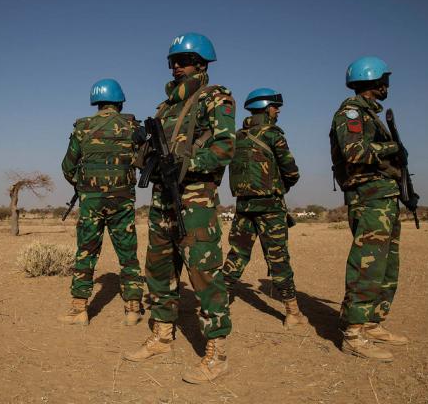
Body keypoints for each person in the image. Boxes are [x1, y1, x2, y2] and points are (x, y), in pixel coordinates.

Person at [123, 33, 235, 384]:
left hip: (195, 198)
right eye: (173, 61)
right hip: (161, 198)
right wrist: (143, 149)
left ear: (201, 64)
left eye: (184, 61)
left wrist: (186, 165)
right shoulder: (165, 107)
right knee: (158, 268)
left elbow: (225, 147)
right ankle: (162, 336)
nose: (176, 67)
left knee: (203, 270)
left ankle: (217, 352)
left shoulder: (216, 97)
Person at [330, 56, 411, 362]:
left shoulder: (370, 115)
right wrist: (393, 148)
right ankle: (353, 333)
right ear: (374, 81)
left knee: (387, 264)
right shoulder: (350, 113)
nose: (387, 85)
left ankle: (372, 322)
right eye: (384, 80)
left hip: (383, 195)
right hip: (368, 196)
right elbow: (354, 152)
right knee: (368, 263)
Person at [59, 78, 144, 326]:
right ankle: (133, 309)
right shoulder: (132, 127)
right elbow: (143, 161)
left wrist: (84, 186)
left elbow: (67, 167)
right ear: (120, 101)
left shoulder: (82, 127)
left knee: (86, 251)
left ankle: (79, 309)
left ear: (96, 102)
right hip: (123, 200)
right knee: (128, 253)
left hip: (91, 202)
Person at [222, 88, 309, 329]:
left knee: (237, 254)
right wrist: (280, 186)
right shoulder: (273, 134)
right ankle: (292, 312)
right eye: (274, 106)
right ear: (265, 108)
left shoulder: (237, 136)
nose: (277, 111)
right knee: (278, 257)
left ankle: (219, 303)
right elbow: (292, 171)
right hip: (271, 206)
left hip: (244, 205)